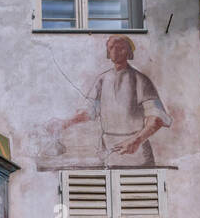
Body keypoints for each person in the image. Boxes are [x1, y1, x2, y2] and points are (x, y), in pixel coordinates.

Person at [57, 35, 171, 166]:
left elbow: (156, 118)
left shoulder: (140, 80)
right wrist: (64, 124)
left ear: (129, 52)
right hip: (109, 152)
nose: (115, 51)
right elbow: (89, 112)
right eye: (111, 47)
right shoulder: (102, 80)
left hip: (136, 152)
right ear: (108, 52)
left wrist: (137, 140)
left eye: (121, 48)